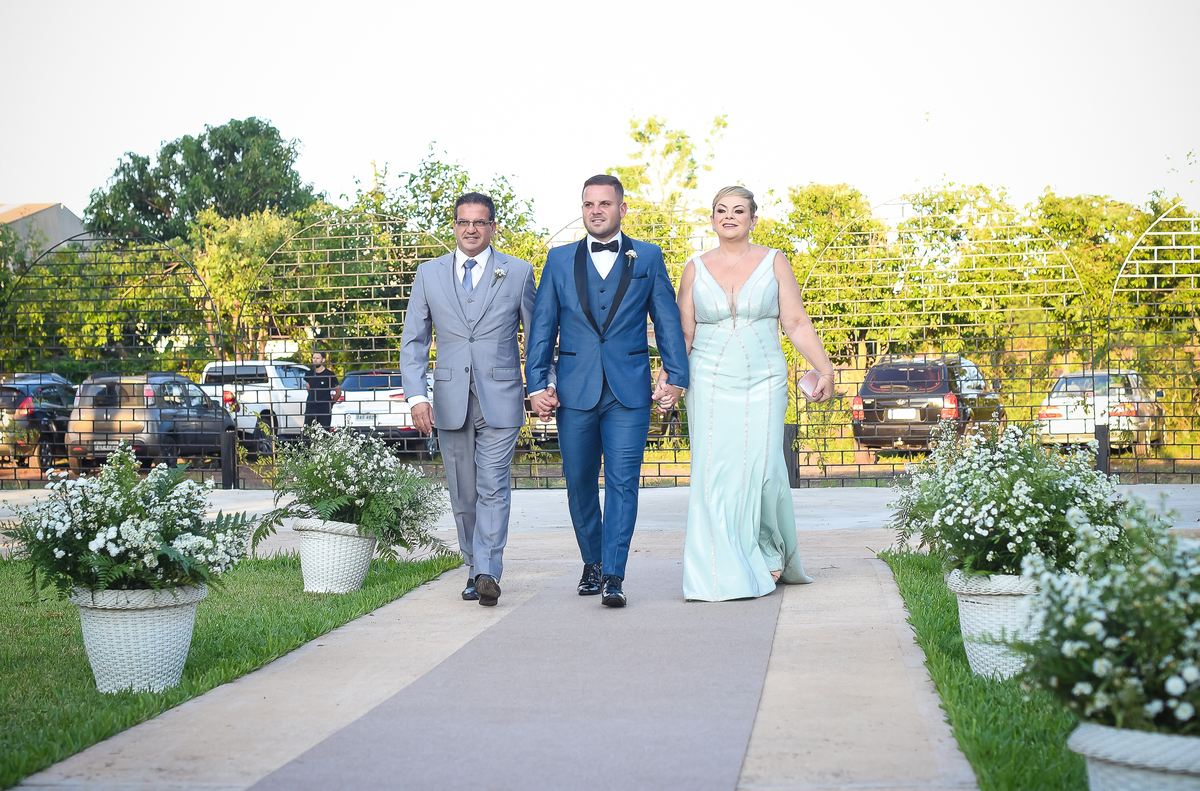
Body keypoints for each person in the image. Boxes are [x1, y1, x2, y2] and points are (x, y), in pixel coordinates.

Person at [526, 174, 689, 607]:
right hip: (574, 390)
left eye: (604, 203)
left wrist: (676, 376)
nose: (595, 211)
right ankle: (592, 562)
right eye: (588, 204)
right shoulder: (558, 259)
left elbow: (667, 320)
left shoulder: (647, 256)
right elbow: (542, 327)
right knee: (579, 482)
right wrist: (536, 384)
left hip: (628, 391)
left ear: (622, 208)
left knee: (623, 482)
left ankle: (614, 574)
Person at [669, 186, 835, 601]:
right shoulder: (693, 268)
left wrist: (825, 368)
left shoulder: (775, 260)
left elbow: (796, 322)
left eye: (738, 210)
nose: (729, 216)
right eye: (721, 210)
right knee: (715, 473)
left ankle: (767, 547)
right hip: (708, 379)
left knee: (765, 469)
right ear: (712, 219)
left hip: (764, 378)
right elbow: (683, 333)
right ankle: (717, 568)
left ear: (752, 219)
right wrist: (669, 378)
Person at [399, 192, 536, 607]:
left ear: (493, 227)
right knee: (463, 492)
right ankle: (473, 566)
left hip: (502, 396)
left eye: (479, 222)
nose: (471, 229)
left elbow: (537, 336)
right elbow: (414, 340)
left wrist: (540, 386)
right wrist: (416, 397)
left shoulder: (518, 272)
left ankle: (487, 571)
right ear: (455, 226)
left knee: (493, 484)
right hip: (448, 399)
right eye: (463, 222)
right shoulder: (429, 273)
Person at [303, 352, 341, 429]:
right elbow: (309, 389)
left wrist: (331, 403)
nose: (315, 360)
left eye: (317, 358)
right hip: (311, 407)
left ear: (323, 360)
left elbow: (338, 392)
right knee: (308, 431)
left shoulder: (329, 374)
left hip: (324, 408)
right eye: (314, 358)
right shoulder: (309, 374)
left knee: (324, 431)